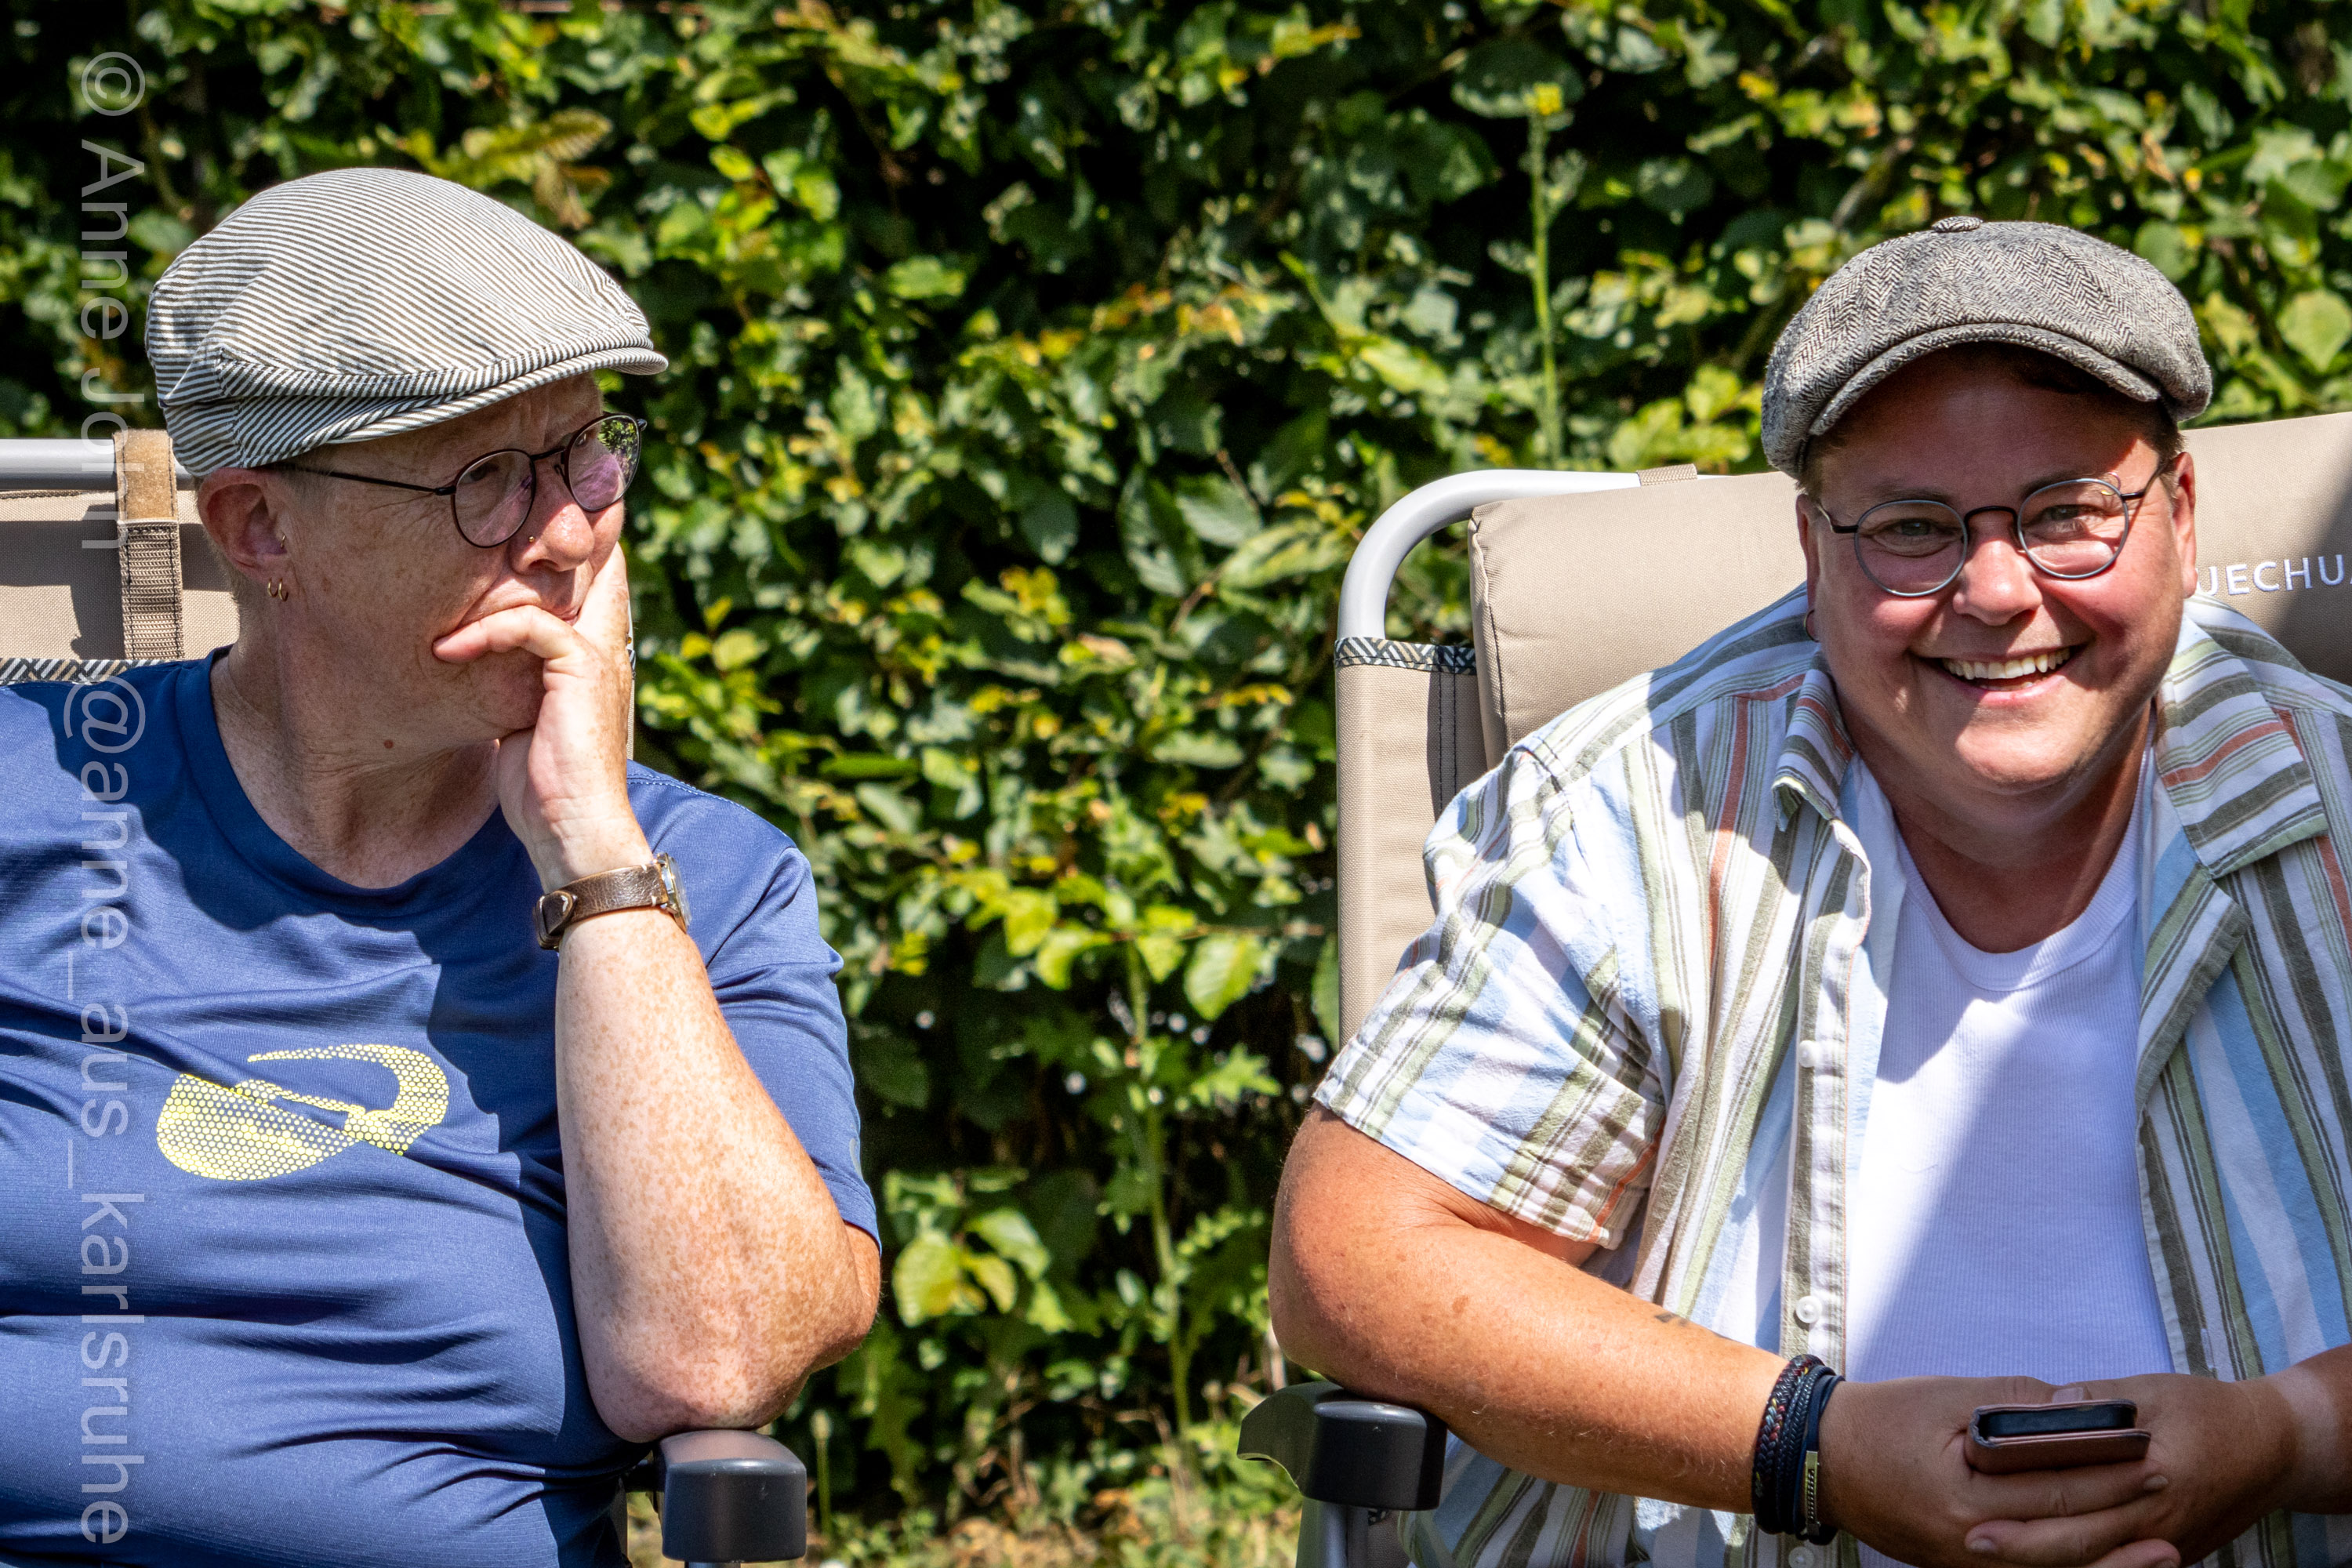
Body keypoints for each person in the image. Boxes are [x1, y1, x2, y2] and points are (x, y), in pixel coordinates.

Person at [1271, 216, 2352, 1568]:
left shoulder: (2334, 805)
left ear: (2180, 518)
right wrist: (1804, 1445)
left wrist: (2286, 1439)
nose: (1997, 590)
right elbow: (1353, 1255)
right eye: (1912, 528)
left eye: (2071, 512)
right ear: (1814, 548)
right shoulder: (1638, 811)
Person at [0, 168, 879, 1566]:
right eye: (486, 481)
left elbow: (722, 1361)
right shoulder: (33, 803)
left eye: (588, 455)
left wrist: (595, 862)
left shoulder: (705, 883)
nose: (572, 531)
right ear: (259, 528)